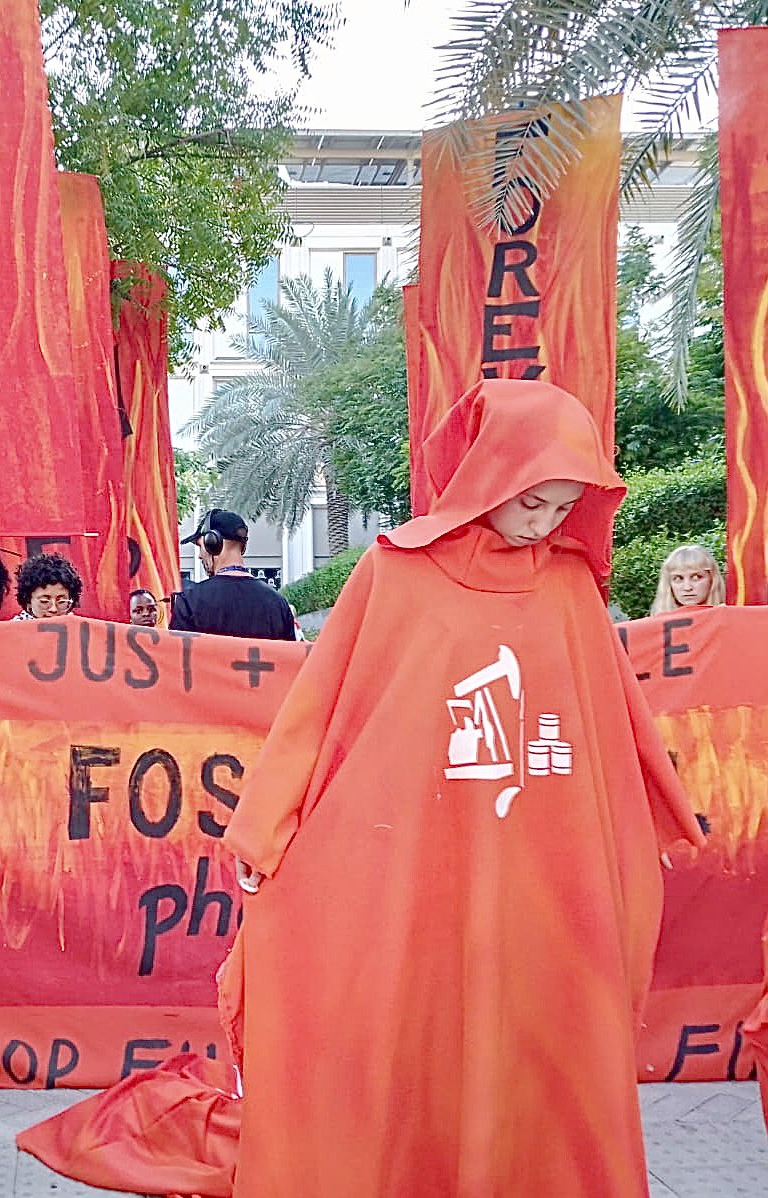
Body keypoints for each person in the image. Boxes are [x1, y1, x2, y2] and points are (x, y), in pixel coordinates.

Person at [219, 380, 705, 1196]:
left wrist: (641, 825)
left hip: (541, 871)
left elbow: (611, 724)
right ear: (487, 474)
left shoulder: (568, 589)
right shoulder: (396, 573)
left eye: (561, 506)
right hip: (418, 862)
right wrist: (266, 827)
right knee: (421, 1026)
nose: (543, 524)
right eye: (530, 501)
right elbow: (327, 705)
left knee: (537, 1038)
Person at [170, 509, 294, 640]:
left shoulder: (189, 601)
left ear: (212, 543)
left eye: (200, 547)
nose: (200, 556)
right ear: (244, 547)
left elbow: (176, 656)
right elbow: (291, 658)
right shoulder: (279, 604)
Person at [650, 544, 726, 615]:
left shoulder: (732, 619)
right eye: (678, 578)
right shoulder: (653, 627)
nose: (687, 587)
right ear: (668, 583)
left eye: (696, 577)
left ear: (712, 579)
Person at [13, 552, 83, 620]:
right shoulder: (13, 629)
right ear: (28, 602)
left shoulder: (77, 627)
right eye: (44, 601)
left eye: (62, 601)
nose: (53, 609)